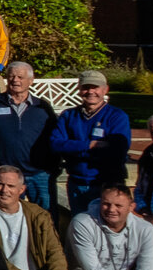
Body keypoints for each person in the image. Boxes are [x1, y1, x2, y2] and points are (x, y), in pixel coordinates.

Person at [49, 70, 131, 218]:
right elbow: (56, 144)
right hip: (76, 182)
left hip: (106, 184)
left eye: (95, 87)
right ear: (79, 89)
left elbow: (117, 150)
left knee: (108, 224)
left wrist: (73, 148)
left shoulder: (117, 116)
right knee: (79, 224)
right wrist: (90, 145)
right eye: (86, 87)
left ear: (105, 89)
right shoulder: (68, 115)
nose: (91, 92)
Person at [0, 62, 56, 212]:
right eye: (11, 76)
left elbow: (54, 138)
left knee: (46, 216)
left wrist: (51, 167)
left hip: (38, 174)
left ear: (31, 81)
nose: (15, 80)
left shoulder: (42, 107)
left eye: (20, 77)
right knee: (7, 215)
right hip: (5, 175)